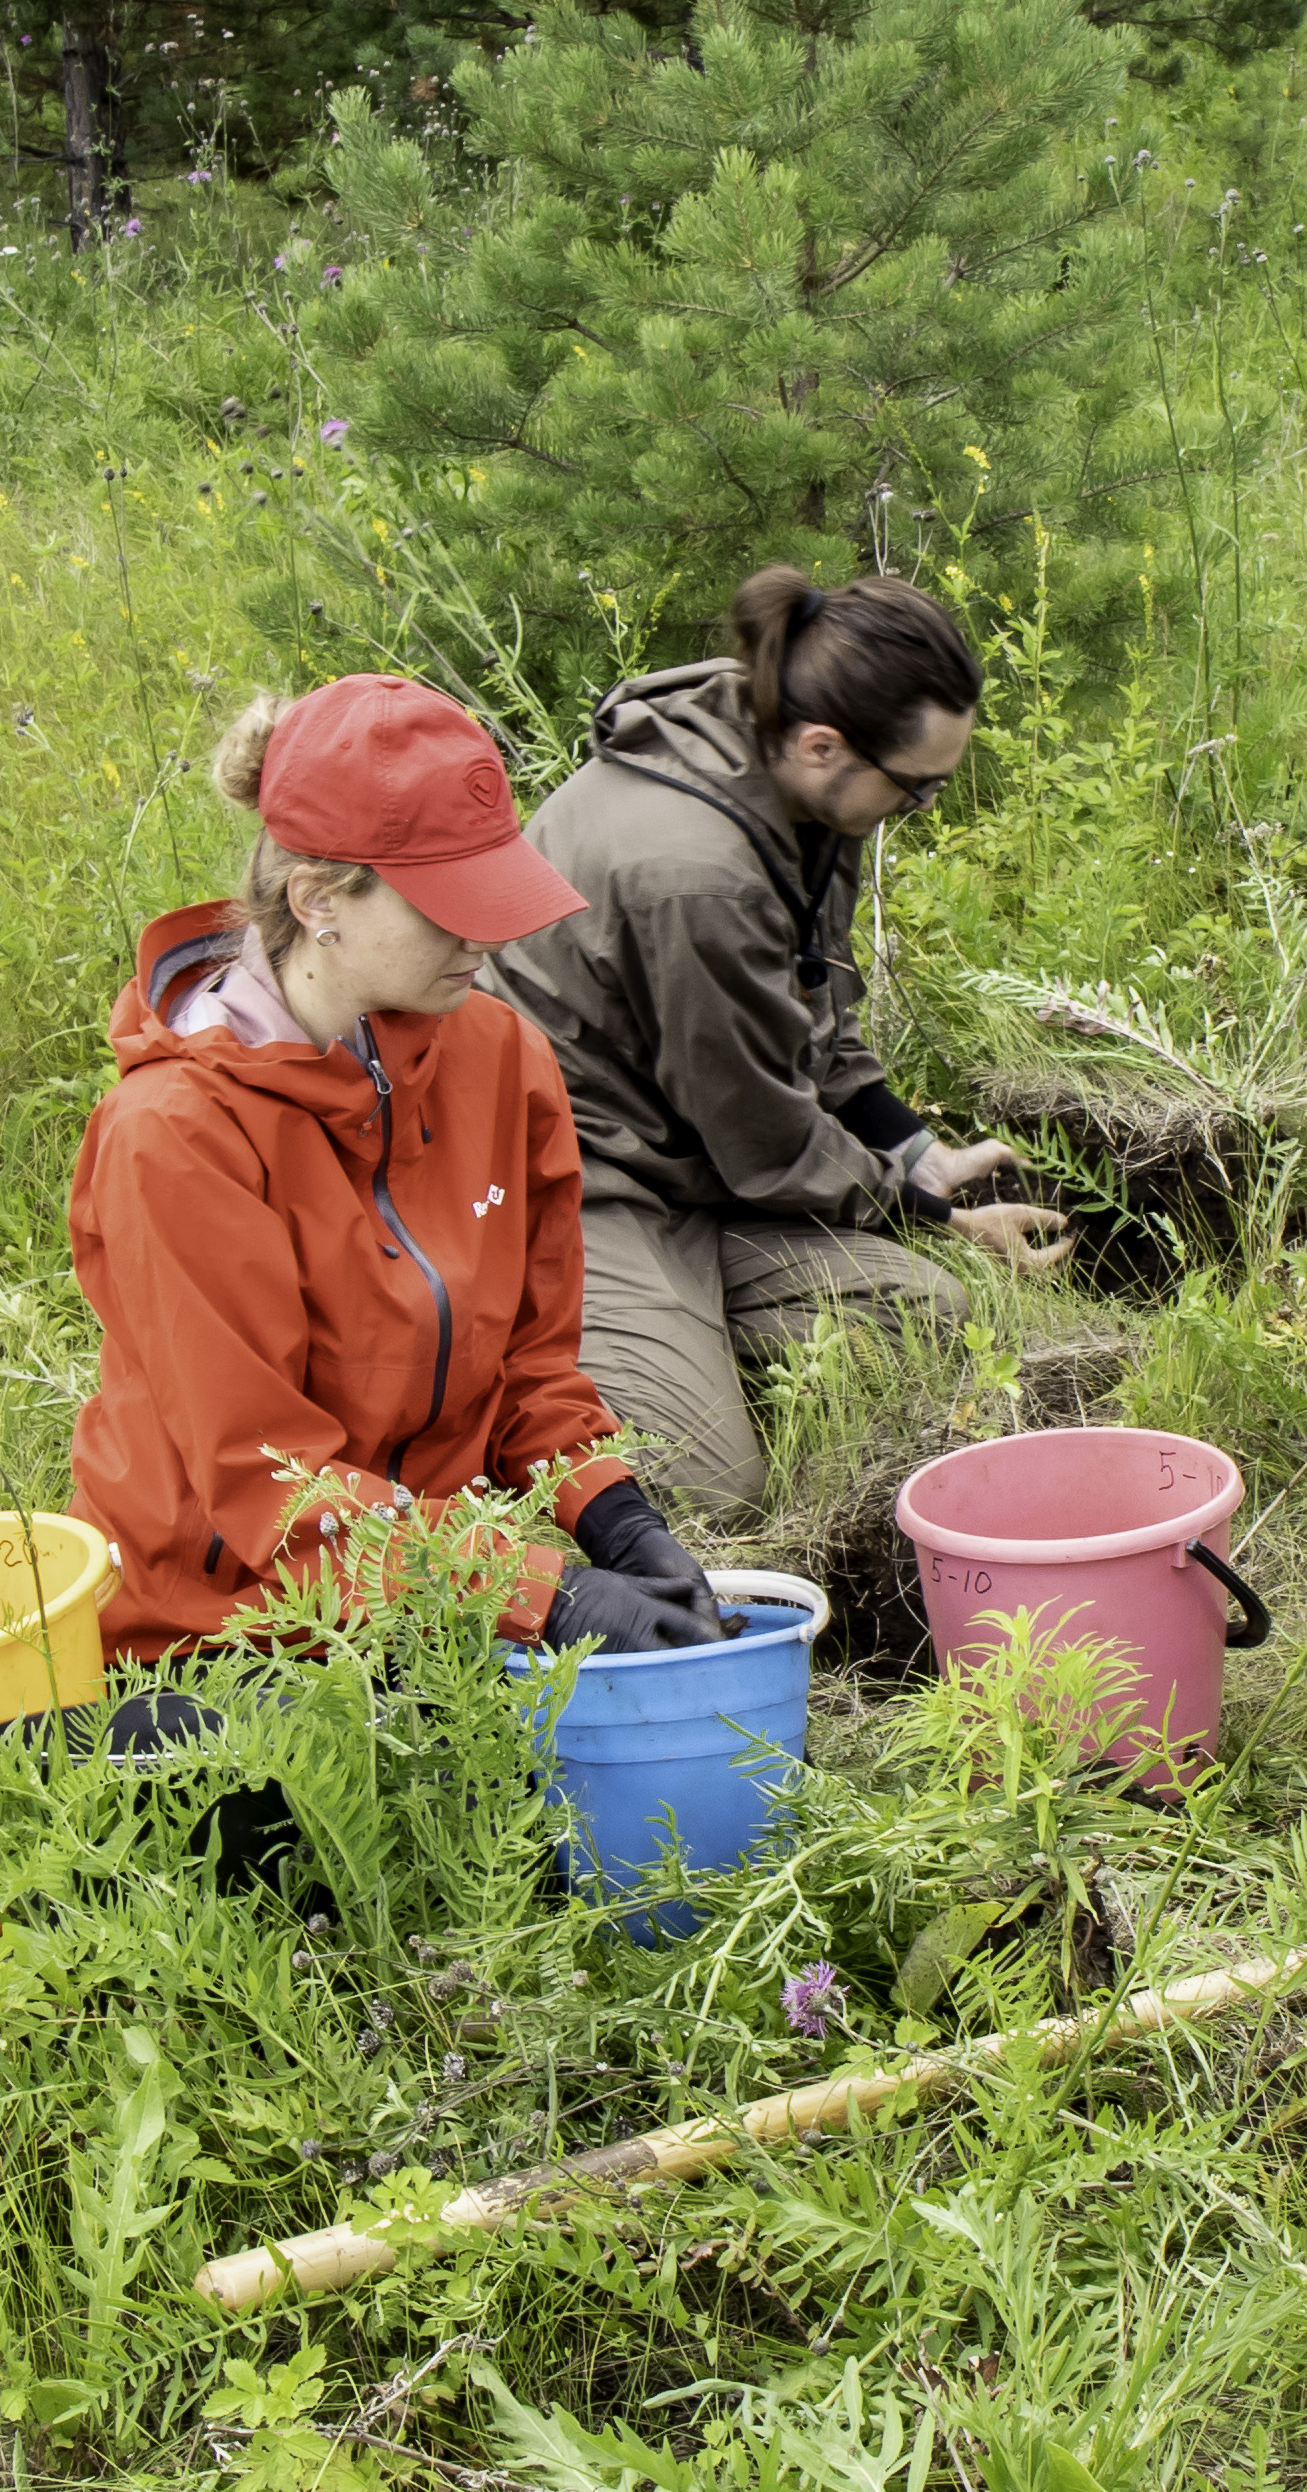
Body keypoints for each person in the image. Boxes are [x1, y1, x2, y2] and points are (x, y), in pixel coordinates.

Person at [68, 675, 729, 1678]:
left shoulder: (500, 1059)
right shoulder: (176, 1135)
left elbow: (528, 1373)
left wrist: (617, 1518)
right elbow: (271, 1486)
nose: (488, 936)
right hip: (219, 1633)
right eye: (449, 907)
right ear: (319, 902)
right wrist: (543, 1593)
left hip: (423, 1604)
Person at [496, 568, 1069, 1516]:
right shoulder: (696, 873)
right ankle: (546, 1369)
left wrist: (918, 1153)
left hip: (687, 1155)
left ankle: (677, 1341)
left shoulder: (796, 780)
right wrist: (941, 1219)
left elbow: (812, 1007)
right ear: (822, 742)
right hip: (577, 1181)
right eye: (917, 791)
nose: (918, 810)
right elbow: (761, 1134)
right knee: (710, 1493)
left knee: (931, 1314)